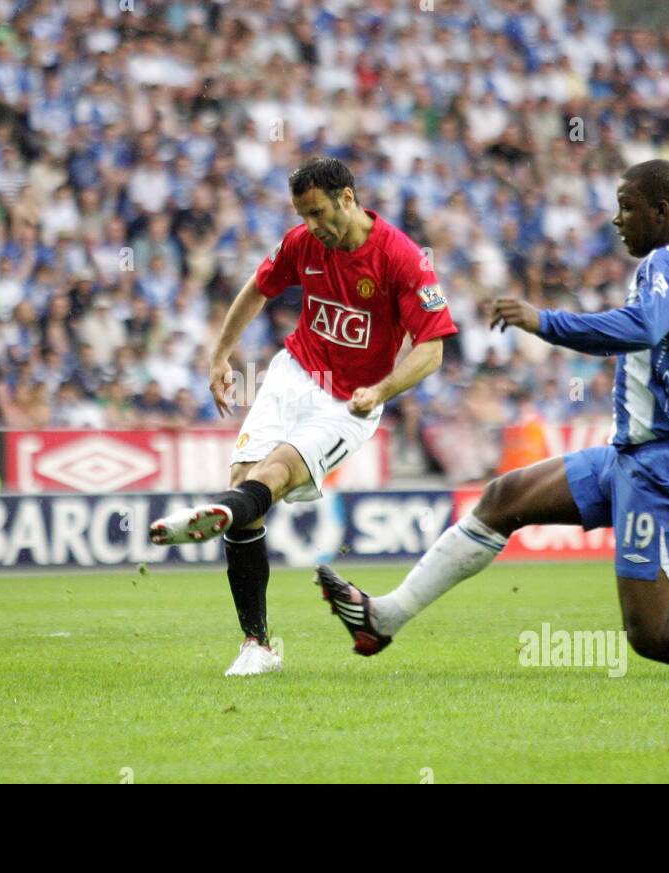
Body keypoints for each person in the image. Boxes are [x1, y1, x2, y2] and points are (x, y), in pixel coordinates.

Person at [315, 159, 669, 677]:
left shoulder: (667, 264)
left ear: (661, 211)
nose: (617, 220)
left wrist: (546, 322)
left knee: (654, 636)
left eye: (627, 208)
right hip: (629, 455)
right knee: (503, 497)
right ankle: (382, 618)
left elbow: (642, 328)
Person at [149, 156, 457, 676]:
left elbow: (432, 350)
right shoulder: (303, 243)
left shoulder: (403, 259)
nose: (312, 226)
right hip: (294, 371)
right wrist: (221, 354)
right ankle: (258, 646)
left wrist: (380, 388)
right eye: (303, 214)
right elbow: (258, 287)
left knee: (276, 471)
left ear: (348, 199)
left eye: (317, 212)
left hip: (349, 403)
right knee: (245, 483)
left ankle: (217, 514)